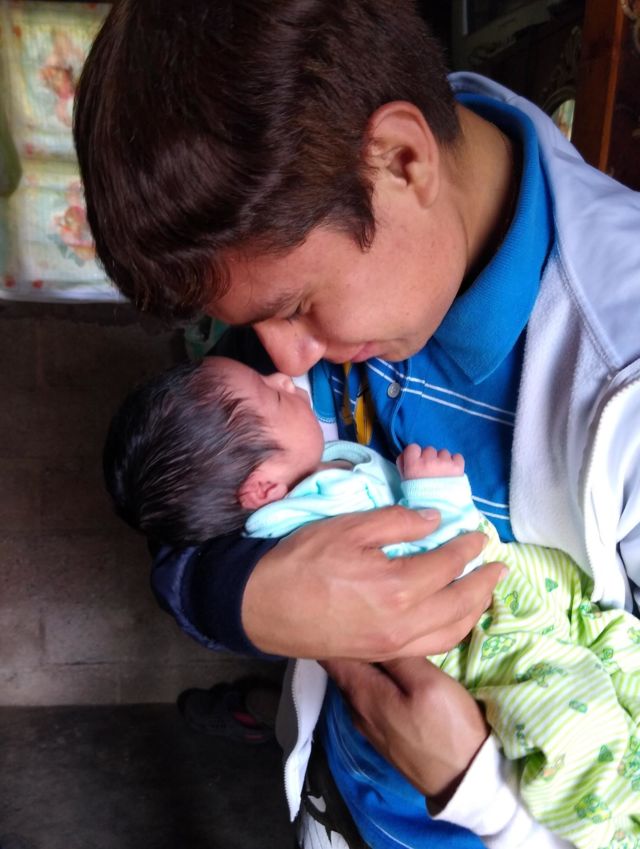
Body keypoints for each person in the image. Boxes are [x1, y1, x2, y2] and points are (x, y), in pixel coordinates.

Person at [73, 1, 640, 847]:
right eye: (253, 325)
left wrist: (476, 790)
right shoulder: (307, 197)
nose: (286, 364)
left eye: (296, 306)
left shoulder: (622, 368)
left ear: (404, 160)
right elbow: (188, 503)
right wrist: (246, 599)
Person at [104, 354, 640, 849]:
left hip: (498, 643)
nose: (284, 373)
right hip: (483, 649)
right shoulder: (308, 512)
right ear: (264, 489)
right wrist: (436, 495)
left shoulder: (303, 471)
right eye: (271, 395)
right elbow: (424, 557)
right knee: (575, 733)